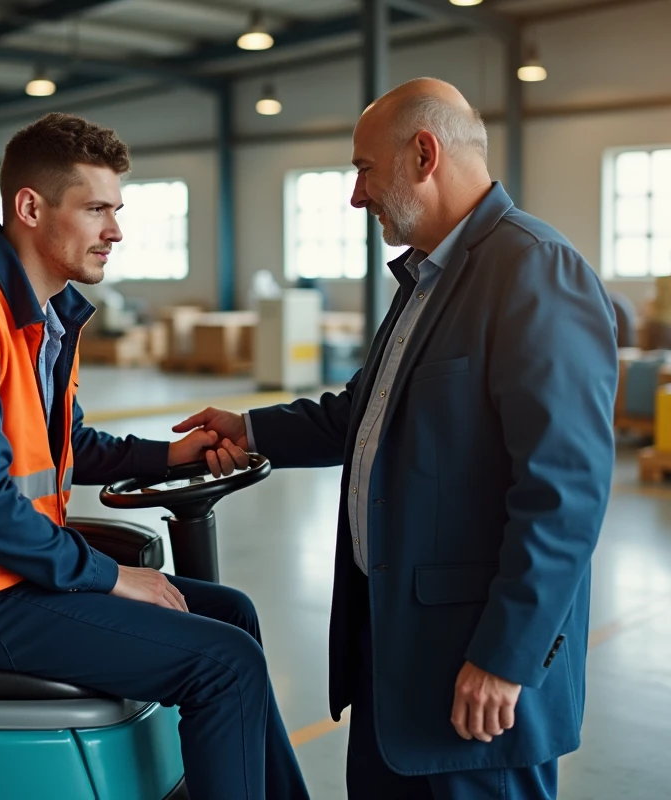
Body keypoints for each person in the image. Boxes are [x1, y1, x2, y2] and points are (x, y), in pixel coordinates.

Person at [176, 78, 617, 800]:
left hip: (475, 672)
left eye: (363, 169)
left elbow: (563, 492)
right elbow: (366, 413)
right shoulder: (429, 278)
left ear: (423, 153)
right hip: (399, 656)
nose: (357, 195)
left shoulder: (533, 269)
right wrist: (250, 429)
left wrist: (506, 658)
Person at [0, 112, 308, 800]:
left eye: (117, 210)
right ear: (30, 208)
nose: (117, 231)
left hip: (6, 578)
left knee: (231, 616)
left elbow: (63, 447)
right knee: (224, 664)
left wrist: (172, 454)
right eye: (97, 209)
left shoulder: (42, 313)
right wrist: (108, 577)